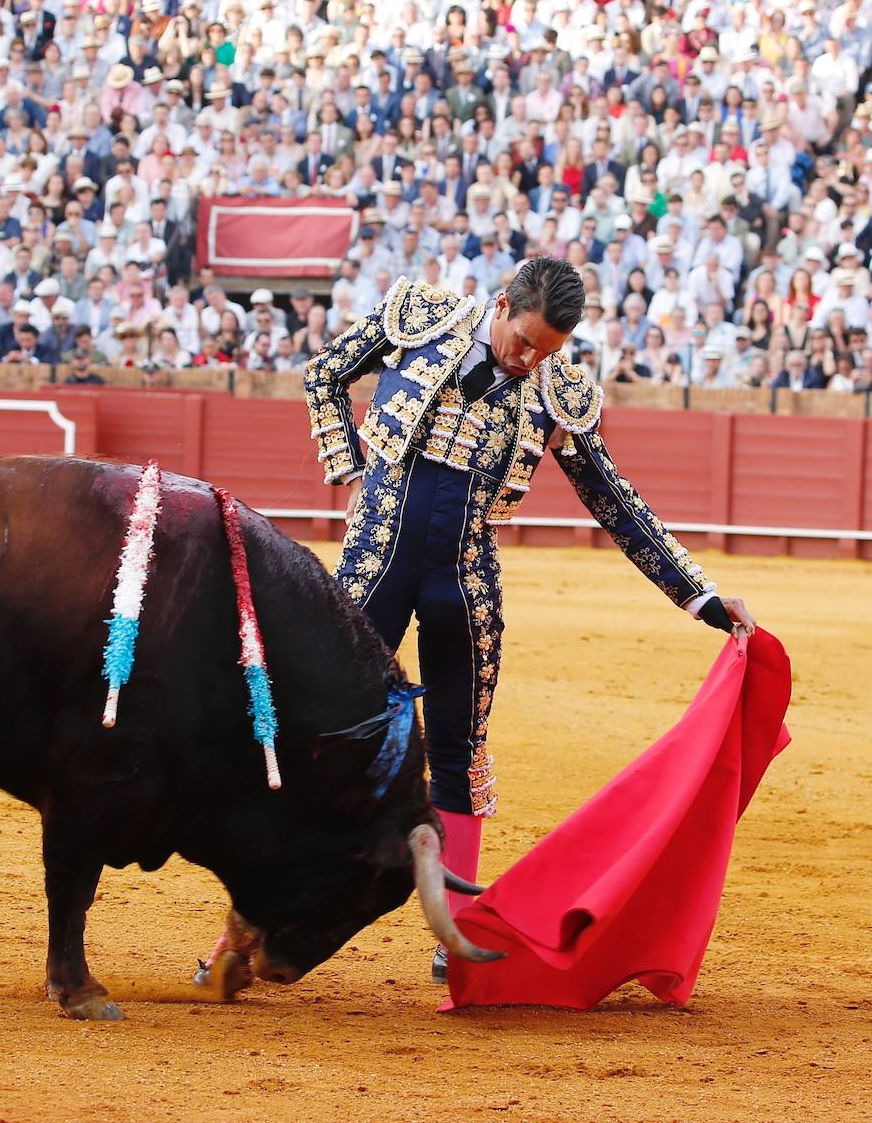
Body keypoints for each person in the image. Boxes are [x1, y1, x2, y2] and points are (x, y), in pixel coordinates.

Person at [301, 261, 756, 982]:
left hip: (467, 583)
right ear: (503, 303)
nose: (531, 359)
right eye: (524, 341)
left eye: (548, 351)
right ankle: (259, 918)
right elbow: (324, 374)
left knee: (459, 751)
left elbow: (615, 500)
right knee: (317, 730)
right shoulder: (421, 318)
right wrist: (350, 465)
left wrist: (699, 595)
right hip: (374, 559)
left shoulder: (559, 391)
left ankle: (456, 939)